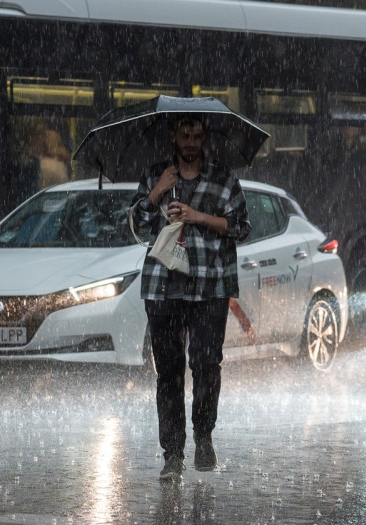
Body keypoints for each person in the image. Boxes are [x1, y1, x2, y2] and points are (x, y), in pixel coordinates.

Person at [131, 115, 251, 480]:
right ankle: (172, 454)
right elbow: (136, 228)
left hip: (209, 288)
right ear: (173, 136)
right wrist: (156, 193)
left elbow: (242, 228)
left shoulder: (223, 178)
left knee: (206, 367)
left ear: (205, 138)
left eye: (197, 135)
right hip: (163, 289)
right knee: (168, 373)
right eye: (184, 134)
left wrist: (198, 216)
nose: (190, 142)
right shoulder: (157, 175)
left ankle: (203, 436)